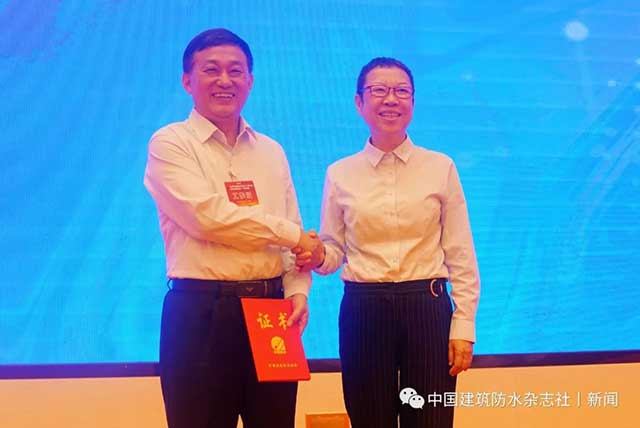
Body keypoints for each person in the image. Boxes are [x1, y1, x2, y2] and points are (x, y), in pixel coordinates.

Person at [144, 28, 323, 428]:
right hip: (201, 314)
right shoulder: (170, 143)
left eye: (235, 71)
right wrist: (292, 236)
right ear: (187, 80)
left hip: (272, 313)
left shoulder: (271, 151)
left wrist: (297, 290)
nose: (225, 80)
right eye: (212, 70)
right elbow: (208, 218)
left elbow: (293, 234)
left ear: (250, 81)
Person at [295, 57, 480, 428]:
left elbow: (460, 252)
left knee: (430, 420)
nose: (391, 99)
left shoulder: (440, 167)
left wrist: (463, 325)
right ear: (359, 102)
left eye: (401, 91)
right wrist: (316, 255)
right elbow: (334, 251)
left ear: (413, 101)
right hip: (365, 309)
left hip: (427, 306)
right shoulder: (340, 172)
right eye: (379, 90)